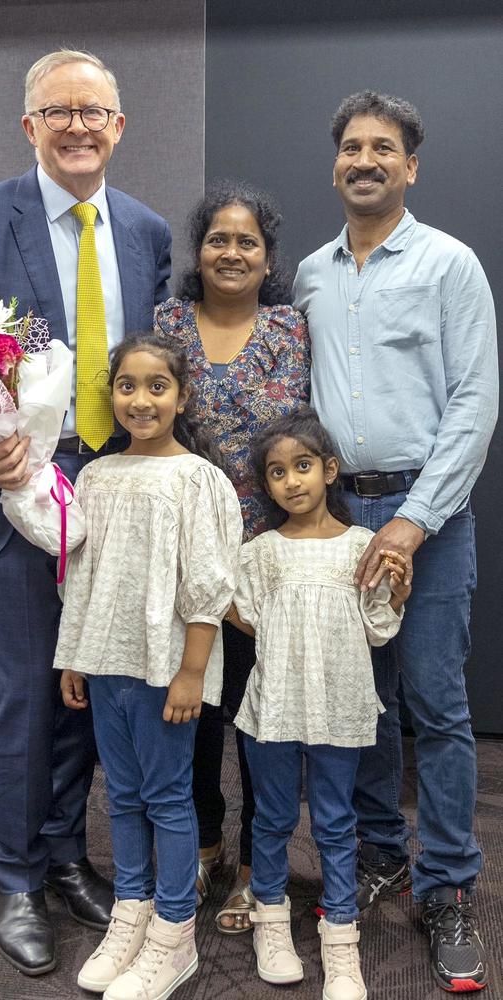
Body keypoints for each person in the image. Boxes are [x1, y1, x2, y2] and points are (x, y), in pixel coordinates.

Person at [0, 49, 171, 976]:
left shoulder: (145, 232)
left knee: (87, 694)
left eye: (94, 112)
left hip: (111, 503)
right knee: (27, 696)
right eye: (58, 111)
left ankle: (68, 855)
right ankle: (18, 876)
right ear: (31, 127)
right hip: (15, 494)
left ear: (118, 127)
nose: (78, 126)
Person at [292, 90, 497, 993]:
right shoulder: (309, 273)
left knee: (435, 706)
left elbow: (475, 404)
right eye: (350, 147)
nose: (364, 160)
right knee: (360, 702)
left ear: (410, 166)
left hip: (430, 515)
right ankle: (383, 852)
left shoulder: (450, 265)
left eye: (383, 147)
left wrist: (414, 523)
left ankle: (449, 884)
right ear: (334, 165)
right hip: (336, 517)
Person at [54, 333, 243, 1000]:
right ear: (112, 394)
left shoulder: (199, 480)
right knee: (125, 794)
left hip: (168, 671)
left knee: (167, 796)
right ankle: (130, 913)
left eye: (157, 386)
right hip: (107, 664)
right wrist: (75, 655)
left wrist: (193, 672)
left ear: (182, 395)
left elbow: (209, 587)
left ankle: (173, 932)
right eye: (127, 385)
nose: (141, 399)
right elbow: (80, 576)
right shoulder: (97, 477)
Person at [154, 181, 309, 933]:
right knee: (192, 714)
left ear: (268, 256)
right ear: (199, 249)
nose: (232, 251)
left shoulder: (289, 328)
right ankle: (206, 843)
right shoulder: (166, 323)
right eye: (219, 237)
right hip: (183, 557)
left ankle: (255, 868)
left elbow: (298, 438)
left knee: (256, 721)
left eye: (248, 241)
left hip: (260, 562)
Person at [227, 408, 409, 1000]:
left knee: (335, 824)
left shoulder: (362, 546)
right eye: (277, 473)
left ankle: (341, 940)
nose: (292, 481)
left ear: (329, 470)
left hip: (340, 706)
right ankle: (271, 925)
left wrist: (396, 589)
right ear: (268, 485)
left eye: (302, 466)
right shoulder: (261, 552)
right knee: (273, 819)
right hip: (275, 705)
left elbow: (378, 629)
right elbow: (249, 617)